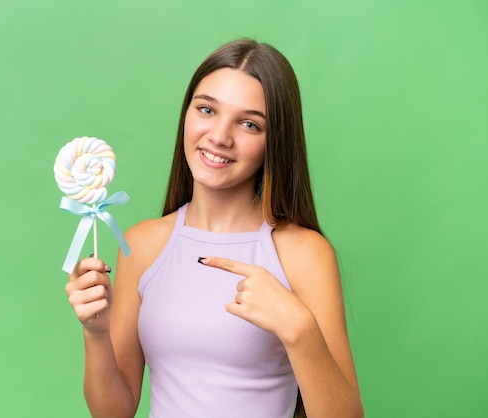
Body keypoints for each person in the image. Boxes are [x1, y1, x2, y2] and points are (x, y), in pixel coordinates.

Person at [65, 38, 364, 418]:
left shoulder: (303, 253)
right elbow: (114, 412)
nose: (220, 136)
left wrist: (299, 329)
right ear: (186, 114)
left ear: (275, 141)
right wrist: (95, 334)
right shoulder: (142, 244)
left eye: (249, 124)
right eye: (207, 109)